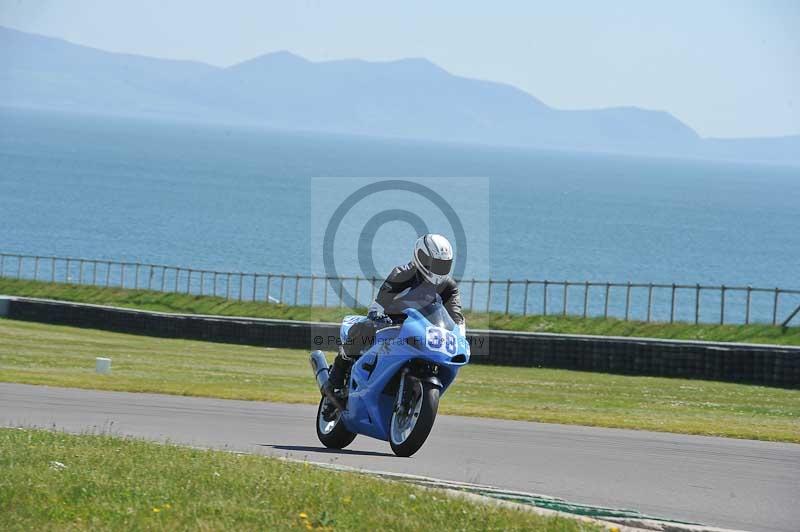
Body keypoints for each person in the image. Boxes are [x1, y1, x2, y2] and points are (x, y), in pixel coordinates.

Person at [323, 234, 465, 400]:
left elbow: (456, 315)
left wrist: (460, 334)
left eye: (443, 264)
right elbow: (380, 303)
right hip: (392, 323)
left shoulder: (448, 286)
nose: (439, 268)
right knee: (363, 328)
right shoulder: (402, 274)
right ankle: (335, 380)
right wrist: (377, 314)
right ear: (421, 257)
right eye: (435, 263)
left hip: (422, 330)